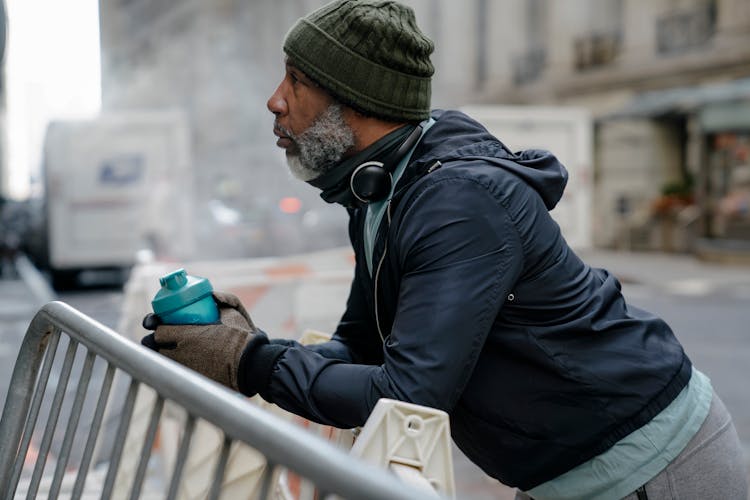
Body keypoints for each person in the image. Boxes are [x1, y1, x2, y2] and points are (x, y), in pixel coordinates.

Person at [142, 1, 748, 498]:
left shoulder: (457, 202)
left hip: (652, 468)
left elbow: (406, 396)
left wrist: (249, 364)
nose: (275, 100)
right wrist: (246, 342)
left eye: (297, 81)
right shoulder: (380, 192)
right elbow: (363, 346)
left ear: (355, 100)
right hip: (574, 473)